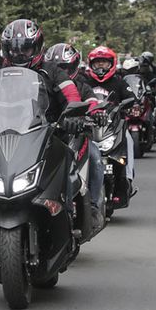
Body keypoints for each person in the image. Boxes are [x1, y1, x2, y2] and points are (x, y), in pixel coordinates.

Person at [0, 19, 85, 134]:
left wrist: (73, 116)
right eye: (14, 49)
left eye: (26, 49)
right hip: (3, 136)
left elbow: (71, 95)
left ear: (36, 47)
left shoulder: (52, 71)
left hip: (50, 135)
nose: (20, 54)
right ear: (6, 49)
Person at [45, 43, 105, 218]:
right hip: (43, 137)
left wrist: (96, 114)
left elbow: (92, 102)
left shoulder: (81, 86)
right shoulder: (41, 85)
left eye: (65, 67)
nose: (61, 72)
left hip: (75, 136)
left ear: (74, 67)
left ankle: (93, 205)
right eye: (58, 68)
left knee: (95, 159)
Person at [80, 46, 137, 191]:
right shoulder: (85, 83)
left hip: (114, 126)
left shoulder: (119, 82)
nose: (100, 65)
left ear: (111, 64)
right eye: (97, 62)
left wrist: (127, 104)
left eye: (104, 62)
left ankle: (128, 178)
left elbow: (131, 97)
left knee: (128, 140)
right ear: (91, 64)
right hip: (89, 126)